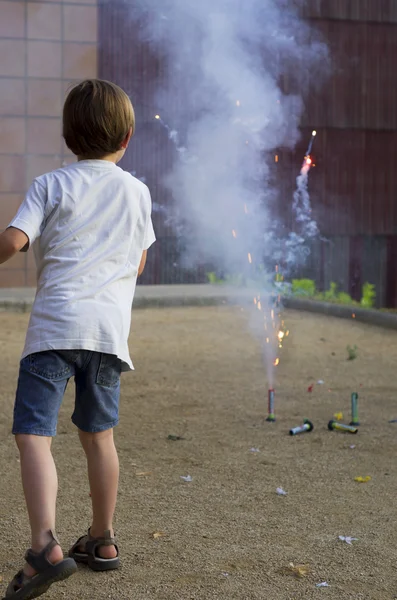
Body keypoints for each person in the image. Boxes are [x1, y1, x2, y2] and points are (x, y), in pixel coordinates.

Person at [0, 79, 156, 599]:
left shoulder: (50, 185)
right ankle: (102, 539)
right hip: (108, 334)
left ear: (68, 136)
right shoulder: (138, 191)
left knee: (34, 436)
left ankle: (45, 546)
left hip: (53, 330)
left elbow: (14, 241)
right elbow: (137, 261)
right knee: (99, 437)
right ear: (127, 137)